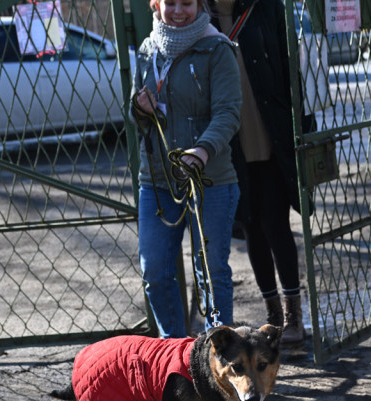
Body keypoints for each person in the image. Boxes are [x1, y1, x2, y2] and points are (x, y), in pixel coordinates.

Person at [132, 0, 243, 338]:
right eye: (171, 3)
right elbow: (138, 116)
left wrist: (202, 150)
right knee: (155, 272)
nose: (178, 10)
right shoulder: (148, 49)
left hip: (210, 179)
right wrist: (139, 109)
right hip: (157, 181)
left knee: (211, 273)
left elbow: (228, 112)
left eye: (187, 3)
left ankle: (217, 357)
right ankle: (174, 353)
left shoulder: (217, 48)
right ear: (156, 4)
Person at [211, 0, 311, 345]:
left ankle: (294, 315)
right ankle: (273, 315)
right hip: (229, 147)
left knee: (277, 226)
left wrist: (303, 126)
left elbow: (289, 68)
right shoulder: (200, 15)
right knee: (251, 228)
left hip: (270, 135)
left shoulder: (266, 8)